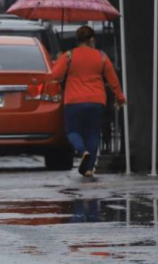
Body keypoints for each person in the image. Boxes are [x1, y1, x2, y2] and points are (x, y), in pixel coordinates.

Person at [50, 26, 126, 177]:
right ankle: (89, 169)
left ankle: (82, 150)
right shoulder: (102, 56)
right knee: (93, 133)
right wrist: (120, 98)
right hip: (96, 101)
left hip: (74, 101)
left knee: (72, 131)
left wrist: (59, 59)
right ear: (91, 40)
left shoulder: (69, 56)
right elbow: (113, 80)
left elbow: (55, 76)